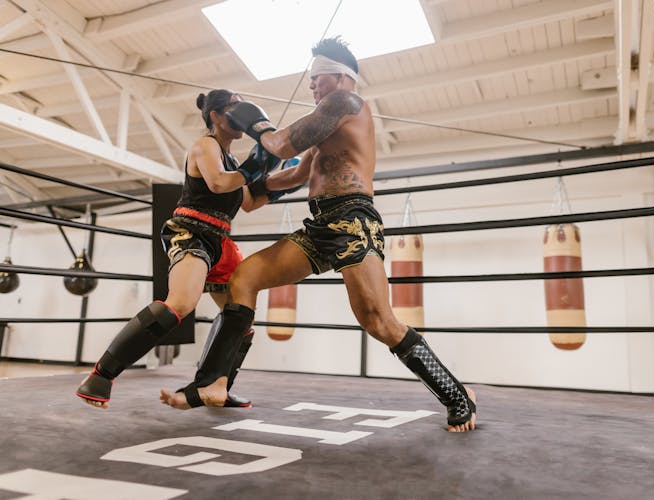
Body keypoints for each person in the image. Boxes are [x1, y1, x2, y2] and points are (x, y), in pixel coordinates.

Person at [160, 37, 476, 432]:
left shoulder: (345, 103)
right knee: (245, 277)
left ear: (340, 77)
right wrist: (241, 190)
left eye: (317, 78)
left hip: (354, 221)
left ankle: (455, 395)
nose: (311, 86)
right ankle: (214, 383)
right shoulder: (328, 122)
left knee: (378, 322)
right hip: (321, 225)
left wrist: (251, 118)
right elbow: (295, 173)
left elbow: (278, 143)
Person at [75, 89, 292, 409]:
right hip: (191, 231)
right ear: (216, 115)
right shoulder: (205, 145)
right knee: (181, 302)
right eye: (232, 105)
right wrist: (253, 167)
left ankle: (213, 386)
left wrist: (283, 177)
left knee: (240, 319)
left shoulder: (232, 159)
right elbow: (219, 183)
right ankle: (101, 376)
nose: (239, 111)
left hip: (221, 241)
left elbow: (247, 202)